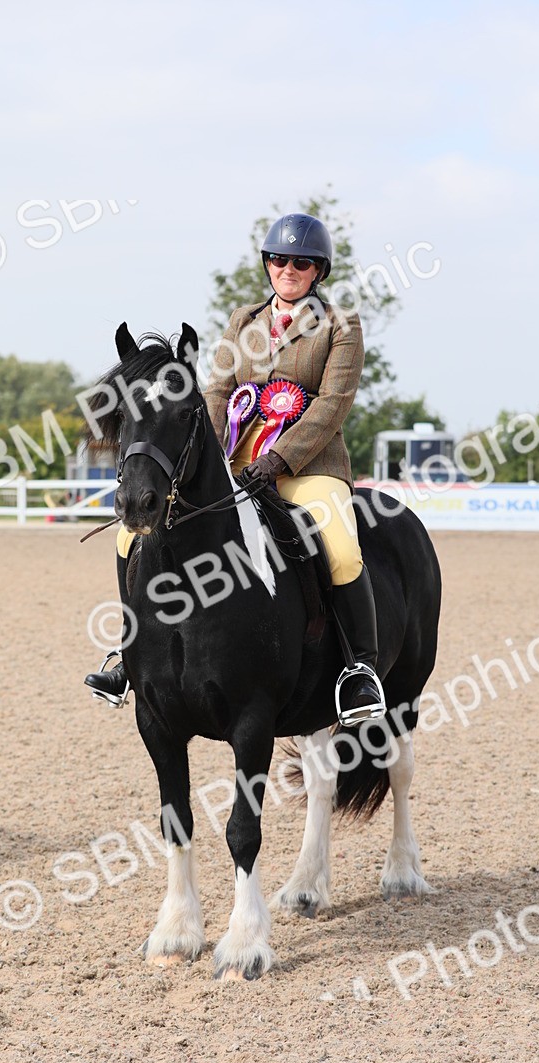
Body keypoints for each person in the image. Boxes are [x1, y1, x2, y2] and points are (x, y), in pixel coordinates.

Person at [85, 212, 385, 725]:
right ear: (267, 264)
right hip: (237, 462)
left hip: (307, 467)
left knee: (339, 546)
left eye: (301, 262)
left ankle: (359, 670)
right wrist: (214, 455)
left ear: (318, 270)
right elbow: (219, 392)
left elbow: (332, 404)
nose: (288, 269)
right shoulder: (243, 321)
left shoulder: (341, 326)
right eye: (279, 259)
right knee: (128, 538)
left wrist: (279, 459)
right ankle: (131, 654)